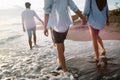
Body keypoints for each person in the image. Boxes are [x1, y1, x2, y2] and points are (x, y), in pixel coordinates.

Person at [43, 0, 86, 74]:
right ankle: (61, 62)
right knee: (61, 43)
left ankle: (65, 71)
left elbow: (46, 12)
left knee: (59, 47)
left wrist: (45, 27)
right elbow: (74, 8)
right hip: (66, 24)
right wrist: (83, 18)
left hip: (56, 25)